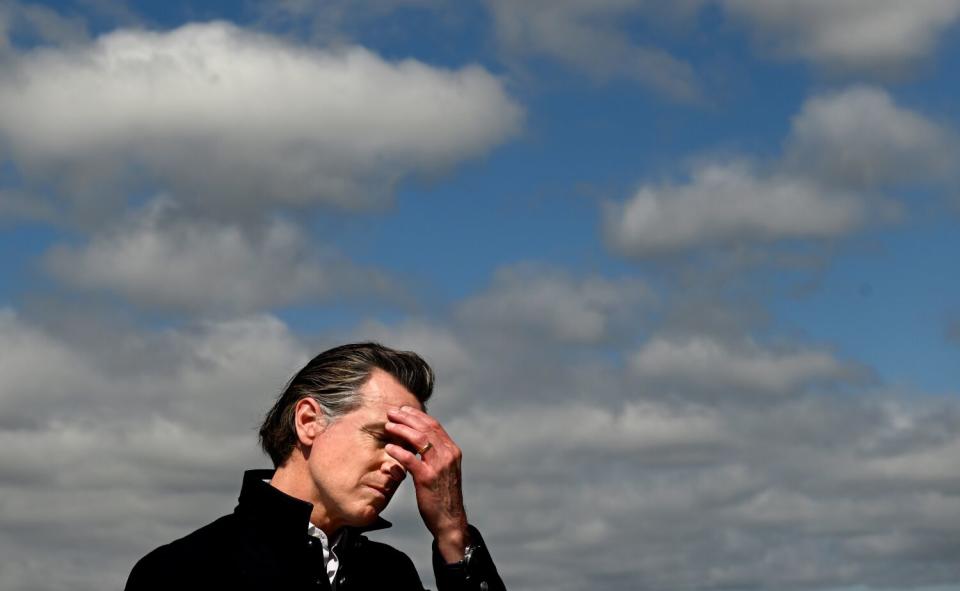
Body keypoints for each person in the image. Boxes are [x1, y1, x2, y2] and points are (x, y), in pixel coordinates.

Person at [124, 342, 505, 590]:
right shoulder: (182, 572)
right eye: (382, 437)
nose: (398, 463)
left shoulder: (391, 576)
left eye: (408, 448)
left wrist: (453, 534)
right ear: (308, 421)